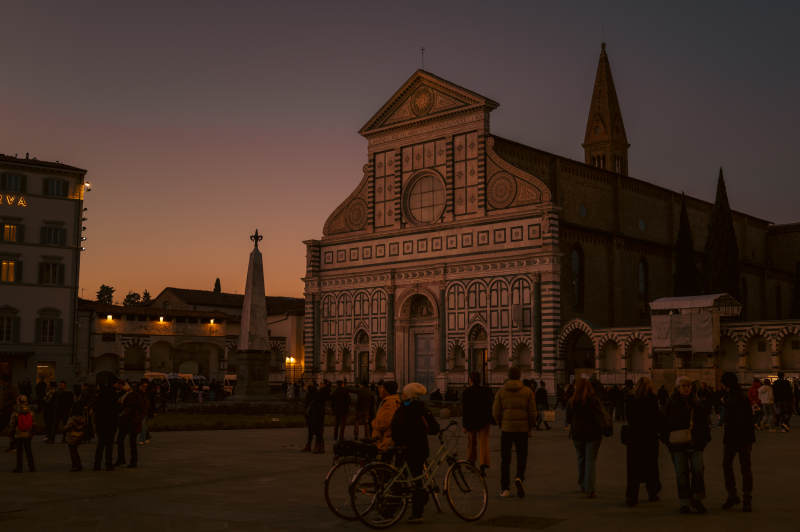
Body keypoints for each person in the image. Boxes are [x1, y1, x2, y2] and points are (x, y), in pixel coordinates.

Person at [391, 382, 439, 523]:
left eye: (404, 393)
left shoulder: (401, 408)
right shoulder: (420, 409)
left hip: (400, 447)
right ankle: (417, 513)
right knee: (418, 480)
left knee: (398, 478)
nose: (402, 395)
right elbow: (434, 428)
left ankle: (390, 510)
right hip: (417, 449)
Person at [663, 376, 711, 514]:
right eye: (683, 386)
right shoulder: (671, 403)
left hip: (695, 443)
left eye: (688, 385)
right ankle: (684, 501)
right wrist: (668, 440)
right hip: (677, 444)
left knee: (698, 470)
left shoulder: (697, 403)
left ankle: (697, 499)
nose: (686, 388)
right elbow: (663, 423)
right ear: (677, 388)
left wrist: (704, 440)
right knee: (681, 473)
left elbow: (703, 423)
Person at [492, 366, 537, 498]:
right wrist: (530, 426)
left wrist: (501, 422)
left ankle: (505, 488)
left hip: (506, 429)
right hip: (522, 430)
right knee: (522, 456)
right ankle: (519, 477)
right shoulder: (527, 391)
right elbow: (533, 413)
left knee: (505, 459)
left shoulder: (501, 391)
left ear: (508, 376)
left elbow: (495, 411)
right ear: (519, 376)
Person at [567, 377, 609, 498]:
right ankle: (590, 489)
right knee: (590, 461)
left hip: (577, 434)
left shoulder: (572, 401)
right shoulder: (594, 400)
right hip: (593, 434)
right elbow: (601, 415)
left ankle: (582, 484)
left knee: (581, 459)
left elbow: (568, 418)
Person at [623, 377, 662, 506]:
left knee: (633, 468)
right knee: (651, 466)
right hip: (649, 437)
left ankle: (632, 496)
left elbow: (628, 417)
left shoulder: (631, 399)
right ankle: (652, 493)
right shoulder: (652, 399)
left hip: (634, 438)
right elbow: (657, 419)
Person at [719, 372, 755, 512]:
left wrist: (724, 403)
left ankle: (734, 495)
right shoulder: (741, 395)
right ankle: (746, 497)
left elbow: (733, 414)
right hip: (745, 437)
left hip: (735, 437)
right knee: (745, 467)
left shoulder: (732, 397)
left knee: (728, 465)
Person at [462, 371, 493, 476]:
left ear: (470, 380)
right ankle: (483, 464)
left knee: (471, 443)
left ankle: (471, 462)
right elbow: (489, 406)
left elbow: (465, 410)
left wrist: (464, 425)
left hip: (471, 422)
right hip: (483, 421)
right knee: (483, 443)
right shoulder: (486, 391)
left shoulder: (466, 392)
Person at [93, 380, 119, 470]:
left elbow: (96, 410)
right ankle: (108, 463)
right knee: (109, 445)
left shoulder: (99, 397)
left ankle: (97, 464)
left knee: (100, 444)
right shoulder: (114, 396)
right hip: (111, 423)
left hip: (101, 423)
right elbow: (117, 410)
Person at [371, 381, 401, 452]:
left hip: (384, 440)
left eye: (381, 388)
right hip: (385, 439)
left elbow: (384, 424)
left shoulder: (389, 403)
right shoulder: (392, 400)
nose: (380, 390)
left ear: (386, 390)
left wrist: (373, 423)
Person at [8, 395, 35, 472]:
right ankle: (32, 467)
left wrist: (11, 431)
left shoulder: (16, 411)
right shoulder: (30, 411)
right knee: (28, 450)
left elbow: (12, 423)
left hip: (19, 433)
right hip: (28, 433)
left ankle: (19, 467)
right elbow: (33, 422)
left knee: (19, 452)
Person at [64, 403, 87, 471]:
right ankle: (78, 464)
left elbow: (67, 427)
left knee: (73, 452)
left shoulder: (72, 419)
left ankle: (75, 465)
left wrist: (64, 428)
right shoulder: (82, 418)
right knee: (75, 451)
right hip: (79, 436)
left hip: (72, 436)